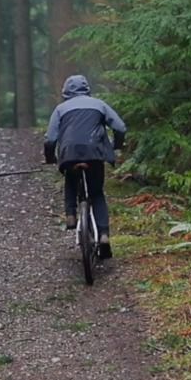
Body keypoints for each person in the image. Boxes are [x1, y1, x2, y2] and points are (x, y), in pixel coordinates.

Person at [43, 74, 127, 258]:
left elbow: (50, 139)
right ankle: (104, 235)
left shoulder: (60, 109)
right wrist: (116, 146)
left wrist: (51, 158)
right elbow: (120, 127)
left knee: (71, 181)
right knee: (96, 193)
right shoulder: (99, 105)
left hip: (70, 155)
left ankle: (71, 214)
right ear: (87, 89)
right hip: (95, 154)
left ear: (65, 91)